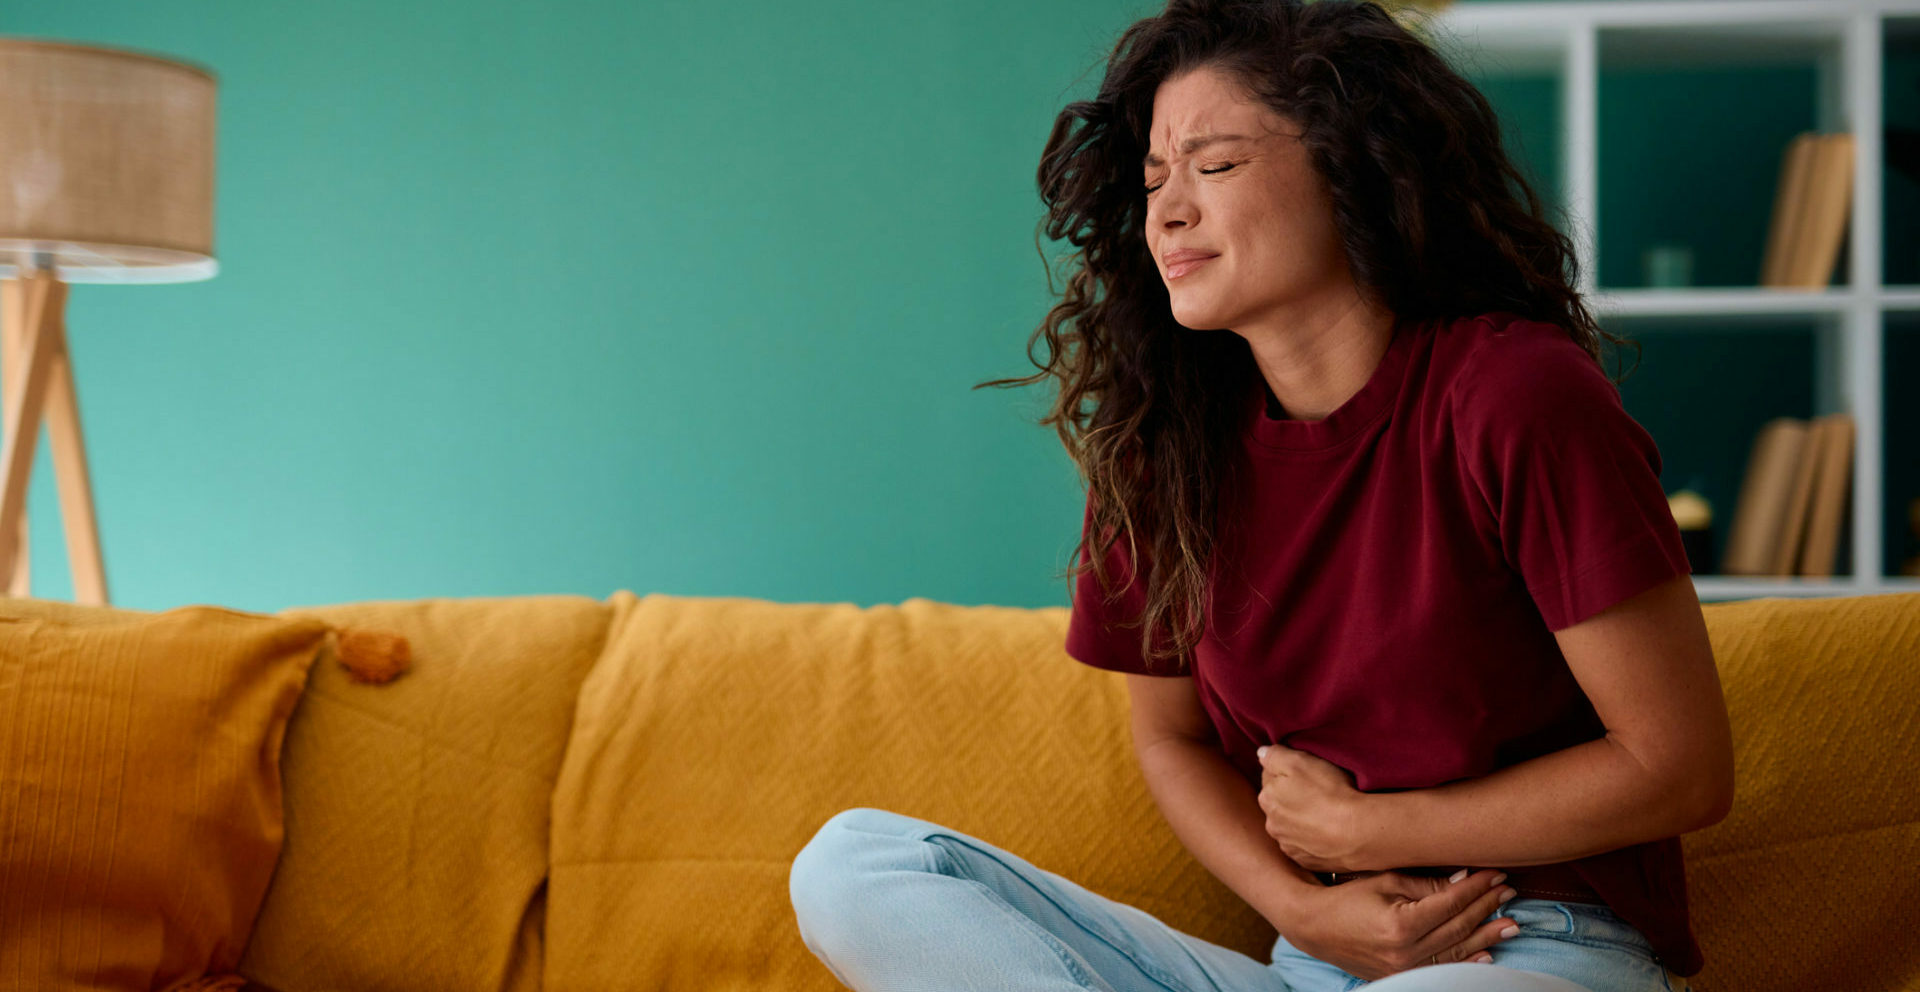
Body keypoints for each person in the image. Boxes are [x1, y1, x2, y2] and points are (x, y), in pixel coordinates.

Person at [788, 1, 1734, 989]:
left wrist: (1371, 829)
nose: (1167, 210)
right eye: (1153, 178)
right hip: (1307, 964)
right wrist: (1303, 909)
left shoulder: (1513, 395)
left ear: (1353, 165)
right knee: (854, 865)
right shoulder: (1163, 448)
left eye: (1216, 165)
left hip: (1524, 944)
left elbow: (1677, 765)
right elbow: (1171, 735)